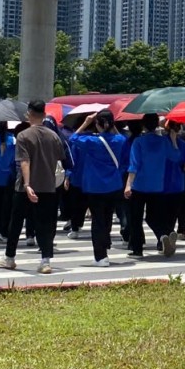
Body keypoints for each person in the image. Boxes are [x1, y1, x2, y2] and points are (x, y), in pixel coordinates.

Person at [0, 101, 64, 274]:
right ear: (44, 114)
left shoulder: (23, 136)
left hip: (25, 187)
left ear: (29, 114)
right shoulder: (54, 136)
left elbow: (24, 162)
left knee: (17, 222)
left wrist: (28, 184)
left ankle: (10, 257)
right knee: (46, 224)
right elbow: (60, 158)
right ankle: (45, 261)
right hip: (48, 185)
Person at [69, 110, 127, 267]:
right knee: (107, 218)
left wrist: (86, 122)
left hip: (95, 186)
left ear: (98, 124)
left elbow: (73, 138)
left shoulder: (92, 142)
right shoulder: (120, 140)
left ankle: (101, 256)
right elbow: (118, 135)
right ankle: (105, 243)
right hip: (114, 185)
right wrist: (111, 124)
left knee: (98, 221)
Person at [125, 113, 181, 259]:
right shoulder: (164, 141)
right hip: (157, 185)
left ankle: (137, 249)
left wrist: (128, 185)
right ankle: (164, 234)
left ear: (143, 125)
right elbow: (176, 158)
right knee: (154, 216)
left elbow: (134, 165)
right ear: (157, 124)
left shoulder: (138, 142)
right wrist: (174, 141)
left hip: (139, 185)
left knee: (135, 218)